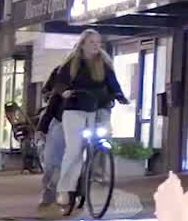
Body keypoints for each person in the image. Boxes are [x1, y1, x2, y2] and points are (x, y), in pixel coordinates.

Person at [55, 30, 128, 210]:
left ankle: (95, 170)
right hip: (75, 108)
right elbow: (60, 82)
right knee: (74, 149)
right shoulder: (72, 63)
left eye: (98, 43)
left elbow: (112, 81)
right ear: (83, 44)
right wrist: (64, 91)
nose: (96, 46)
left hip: (98, 107)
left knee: (103, 136)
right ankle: (65, 189)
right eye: (92, 43)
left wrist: (119, 95)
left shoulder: (104, 62)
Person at [36, 64, 66, 210]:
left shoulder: (98, 71)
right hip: (59, 118)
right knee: (53, 161)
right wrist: (43, 127)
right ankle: (49, 192)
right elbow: (50, 96)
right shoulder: (62, 71)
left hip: (85, 120)